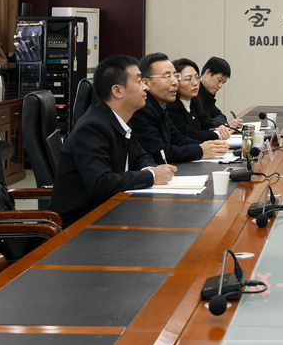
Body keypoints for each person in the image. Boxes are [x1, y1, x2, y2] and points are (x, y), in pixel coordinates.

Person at [49, 55, 176, 226]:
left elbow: (141, 155)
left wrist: (148, 168)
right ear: (117, 91)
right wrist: (152, 175)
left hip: (113, 212)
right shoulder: (92, 128)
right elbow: (100, 183)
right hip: (83, 224)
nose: (146, 87)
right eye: (139, 81)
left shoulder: (119, 120)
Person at [130, 53, 229, 164]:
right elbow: (159, 153)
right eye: (167, 77)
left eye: (176, 76)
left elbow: (177, 138)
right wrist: (200, 150)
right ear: (145, 82)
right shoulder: (142, 110)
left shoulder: (162, 106)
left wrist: (208, 146)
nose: (175, 82)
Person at [167, 58, 234, 142]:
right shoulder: (171, 106)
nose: (195, 83)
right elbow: (189, 135)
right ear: (175, 82)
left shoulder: (193, 102)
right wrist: (217, 134)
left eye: (197, 77)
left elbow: (206, 124)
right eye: (188, 79)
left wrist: (221, 129)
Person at [198, 56, 244, 130]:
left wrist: (222, 124)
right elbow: (204, 125)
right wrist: (226, 125)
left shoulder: (207, 94)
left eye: (223, 82)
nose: (220, 86)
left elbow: (220, 116)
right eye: (219, 80)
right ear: (207, 73)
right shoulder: (194, 93)